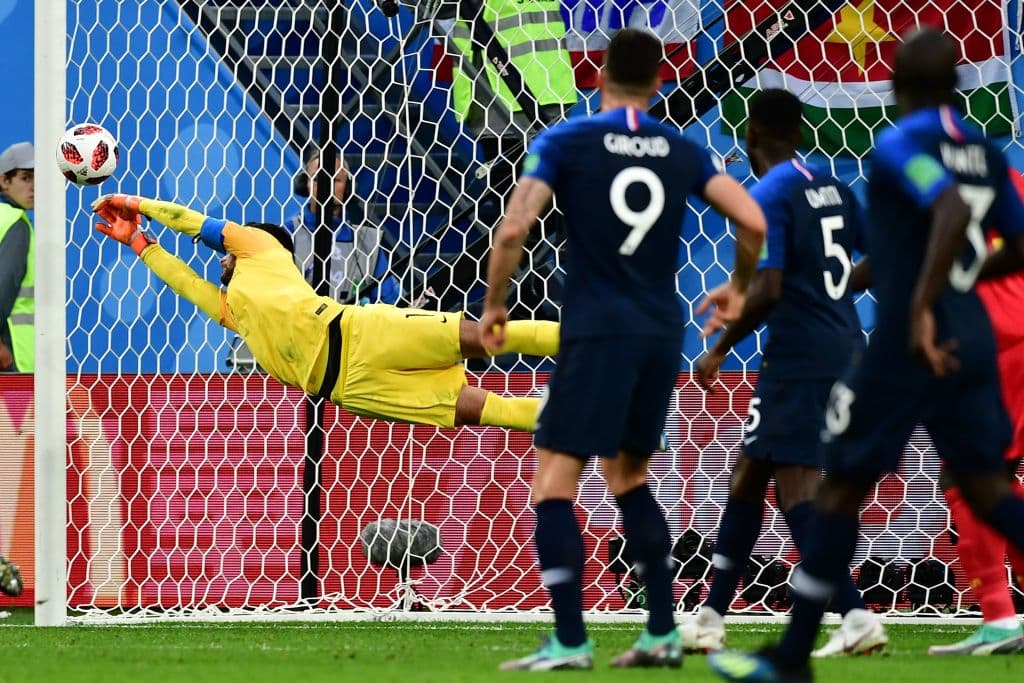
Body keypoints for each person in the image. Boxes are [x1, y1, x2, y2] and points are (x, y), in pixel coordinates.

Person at [708, 28, 1024, 682]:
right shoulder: (986, 154)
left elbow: (944, 208)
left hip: (908, 341)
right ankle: (802, 649)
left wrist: (921, 302)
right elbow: (1015, 247)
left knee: (839, 486)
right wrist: (962, 286)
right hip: (971, 337)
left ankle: (792, 657)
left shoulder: (901, 145)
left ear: (898, 88)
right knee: (989, 486)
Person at [481, 28, 767, 670]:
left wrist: (496, 305)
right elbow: (752, 220)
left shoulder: (566, 141)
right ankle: (663, 631)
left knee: (554, 481)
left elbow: (515, 226)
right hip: (660, 332)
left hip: (597, 328)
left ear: (600, 77)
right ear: (660, 82)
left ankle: (570, 640)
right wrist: (739, 290)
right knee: (629, 477)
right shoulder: (681, 148)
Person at [685, 89, 886, 658]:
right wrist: (838, 291)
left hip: (798, 354)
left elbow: (769, 289)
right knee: (752, 471)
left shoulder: (769, 191)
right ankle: (712, 615)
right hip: (841, 344)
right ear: (800, 133)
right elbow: (882, 252)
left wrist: (720, 347)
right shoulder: (834, 186)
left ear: (749, 138)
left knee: (794, 484)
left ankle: (853, 613)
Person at [91, 194, 557, 432]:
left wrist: (137, 205)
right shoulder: (237, 309)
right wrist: (139, 243)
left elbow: (190, 222)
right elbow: (189, 285)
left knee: (482, 337)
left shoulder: (263, 249)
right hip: (350, 388)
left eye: (225, 252)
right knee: (476, 409)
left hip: (357, 332)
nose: (220, 259)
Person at [927, 168, 1024, 655]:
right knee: (997, 476)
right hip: (1018, 333)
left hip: (981, 338)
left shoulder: (923, 179)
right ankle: (1001, 616)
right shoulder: (1006, 175)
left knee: (966, 477)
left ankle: (999, 617)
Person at [288, 149, 401, 305]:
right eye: (318, 179)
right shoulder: (287, 233)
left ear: (348, 188)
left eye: (335, 180)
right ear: (305, 185)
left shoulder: (368, 242)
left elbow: (390, 303)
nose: (325, 186)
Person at [0, 142, 35, 373]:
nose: (34, 187)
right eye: (25, 178)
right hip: (13, 352)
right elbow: (4, 286)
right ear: (4, 181)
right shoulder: (15, 223)